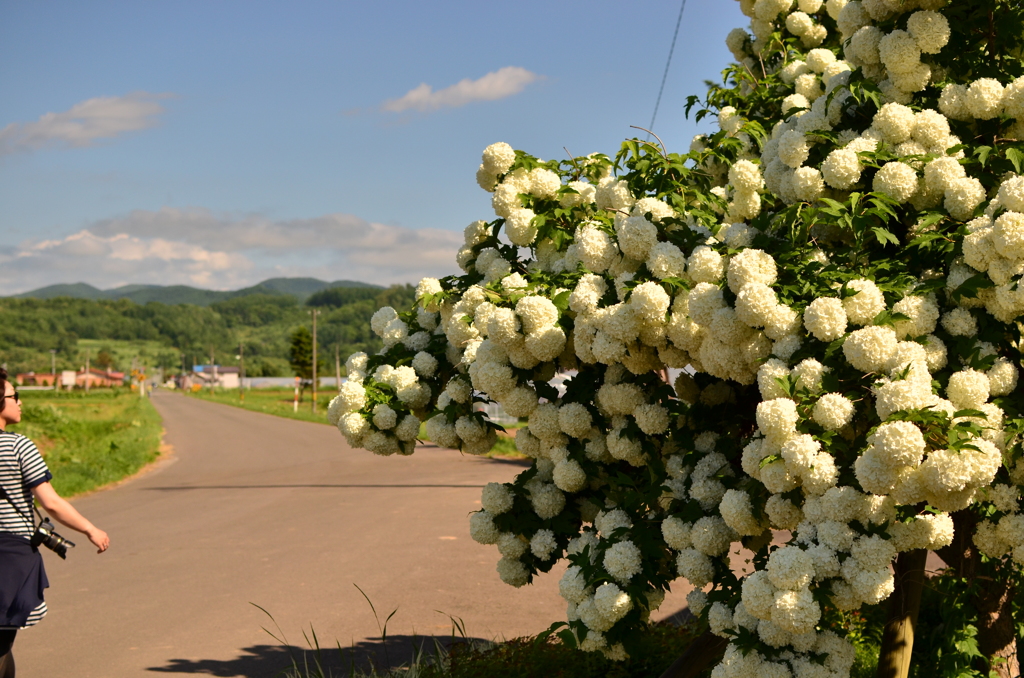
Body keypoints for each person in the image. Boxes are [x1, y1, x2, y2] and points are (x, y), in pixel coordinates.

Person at [0, 369, 109, 678]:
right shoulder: (19, 447)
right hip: (9, 556)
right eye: (13, 396)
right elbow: (51, 502)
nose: (19, 403)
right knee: (1, 639)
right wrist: (90, 529)